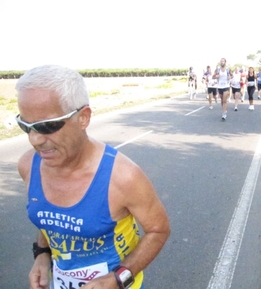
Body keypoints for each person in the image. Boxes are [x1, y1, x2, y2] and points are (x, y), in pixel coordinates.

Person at [15, 65, 170, 289]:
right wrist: (42, 254)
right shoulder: (28, 165)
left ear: (83, 118)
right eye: (25, 126)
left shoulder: (123, 177)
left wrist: (119, 278)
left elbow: (159, 230)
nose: (35, 140)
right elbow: (48, 218)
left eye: (47, 126)